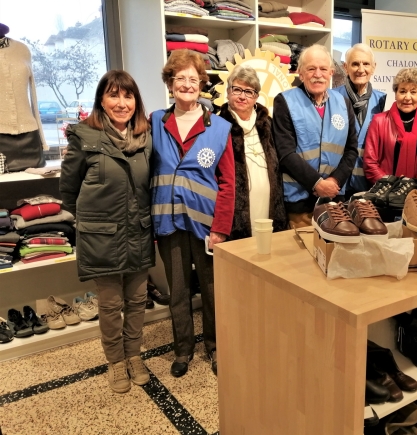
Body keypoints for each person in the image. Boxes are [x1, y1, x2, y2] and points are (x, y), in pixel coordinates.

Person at [60, 70, 154, 393]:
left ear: (135, 102)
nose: (121, 103)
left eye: (128, 96)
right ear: (101, 99)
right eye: (114, 95)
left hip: (139, 232)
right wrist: (87, 227)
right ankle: (115, 361)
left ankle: (133, 355)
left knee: (138, 300)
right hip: (103, 237)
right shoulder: (84, 136)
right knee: (111, 304)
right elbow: (69, 191)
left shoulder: (146, 136)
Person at [151, 49, 235, 377]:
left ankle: (216, 348)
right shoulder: (156, 122)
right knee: (179, 292)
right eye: (179, 78)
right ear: (170, 84)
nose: (187, 84)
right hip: (168, 221)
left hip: (206, 225)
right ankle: (182, 349)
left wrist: (221, 228)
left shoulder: (220, 128)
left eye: (193, 78)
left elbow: (228, 183)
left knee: (213, 292)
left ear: (201, 83)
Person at [272, 44, 358, 227]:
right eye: (311, 69)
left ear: (331, 73)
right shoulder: (285, 101)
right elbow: (285, 153)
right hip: (299, 203)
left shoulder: (343, 103)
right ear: (301, 74)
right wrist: (317, 184)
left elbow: (351, 150)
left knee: (334, 253)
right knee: (300, 254)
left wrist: (334, 181)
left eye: (323, 69)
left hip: (336, 200)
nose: (317, 74)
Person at [217, 64, 288, 238]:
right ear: (227, 92)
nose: (243, 96)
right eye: (237, 89)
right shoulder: (218, 127)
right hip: (234, 218)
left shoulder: (269, 126)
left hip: (270, 210)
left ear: (256, 96)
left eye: (249, 92)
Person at [363, 67, 417, 189]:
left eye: (413, 92)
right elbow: (370, 163)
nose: (407, 97)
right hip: (383, 194)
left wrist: (412, 188)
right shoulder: (379, 121)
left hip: (416, 195)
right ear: (396, 94)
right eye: (402, 91)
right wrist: (390, 189)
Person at [333, 43, 386, 197]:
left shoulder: (382, 101)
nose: (361, 69)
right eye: (355, 64)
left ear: (374, 67)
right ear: (345, 67)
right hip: (337, 182)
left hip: (369, 183)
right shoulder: (332, 97)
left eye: (366, 64)